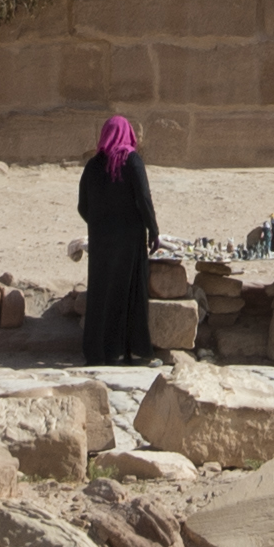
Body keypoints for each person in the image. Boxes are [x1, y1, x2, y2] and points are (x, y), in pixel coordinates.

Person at [76, 112, 158, 364]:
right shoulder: (131, 161)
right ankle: (132, 351)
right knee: (130, 294)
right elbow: (143, 199)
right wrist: (153, 230)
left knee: (102, 294)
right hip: (131, 241)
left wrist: (99, 225)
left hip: (101, 242)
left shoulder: (92, 166)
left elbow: (82, 206)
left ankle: (99, 353)